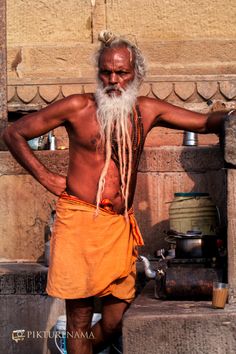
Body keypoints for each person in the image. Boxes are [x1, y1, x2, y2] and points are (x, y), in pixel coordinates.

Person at [3, 30, 232, 354]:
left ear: (135, 74)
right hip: (80, 221)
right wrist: (45, 176)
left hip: (118, 226)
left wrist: (231, 117)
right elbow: (14, 132)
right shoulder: (77, 107)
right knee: (79, 318)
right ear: (98, 72)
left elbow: (205, 121)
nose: (113, 79)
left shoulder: (146, 110)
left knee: (116, 317)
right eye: (106, 72)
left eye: (121, 72)